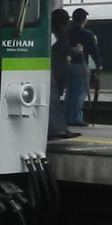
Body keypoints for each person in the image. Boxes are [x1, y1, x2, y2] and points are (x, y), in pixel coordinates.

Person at [66, 8, 101, 127]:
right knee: (80, 92)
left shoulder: (67, 32)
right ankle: (75, 118)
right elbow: (94, 51)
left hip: (68, 65)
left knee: (70, 92)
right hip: (81, 65)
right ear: (84, 20)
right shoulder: (87, 34)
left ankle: (67, 116)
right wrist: (98, 64)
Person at [48, 8, 76, 139]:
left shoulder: (49, 30)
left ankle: (57, 127)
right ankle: (57, 129)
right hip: (59, 70)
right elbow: (65, 50)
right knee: (55, 99)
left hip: (50, 67)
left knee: (52, 100)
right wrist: (76, 50)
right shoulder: (62, 32)